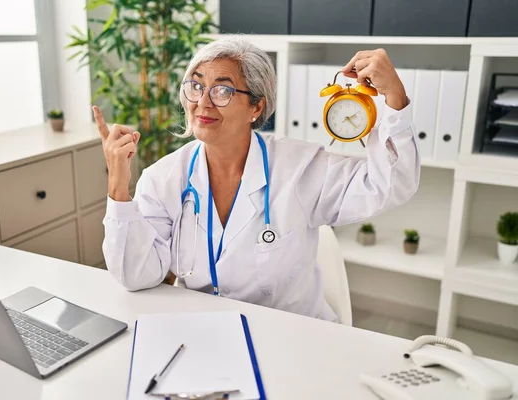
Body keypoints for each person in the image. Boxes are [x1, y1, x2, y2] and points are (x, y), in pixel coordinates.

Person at [94, 35, 420, 322]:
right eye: (195, 86)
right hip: (205, 330)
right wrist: (118, 187)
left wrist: (394, 98)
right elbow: (136, 275)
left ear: (256, 106)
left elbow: (389, 185)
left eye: (222, 90)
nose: (202, 102)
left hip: (292, 336)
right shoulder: (163, 178)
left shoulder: (301, 168)